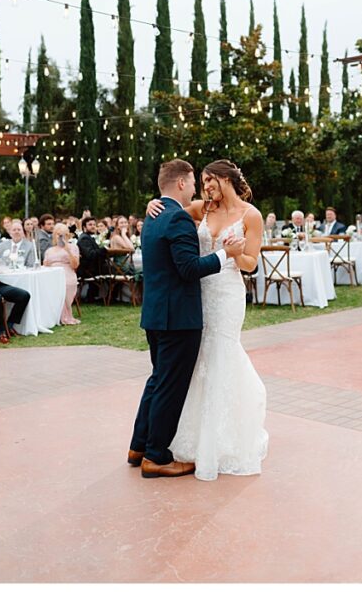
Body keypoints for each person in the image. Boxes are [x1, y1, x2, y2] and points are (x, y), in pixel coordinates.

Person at [144, 158, 269, 481]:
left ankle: (222, 440)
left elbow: (251, 264)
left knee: (221, 357)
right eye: (202, 182)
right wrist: (152, 203)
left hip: (227, 293)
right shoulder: (203, 209)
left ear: (226, 179)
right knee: (195, 362)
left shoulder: (250, 215)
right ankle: (189, 437)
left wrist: (235, 253)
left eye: (211, 180)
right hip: (197, 294)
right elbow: (170, 216)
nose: (206, 188)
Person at [43, 222, 81, 325]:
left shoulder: (73, 247)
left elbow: (75, 265)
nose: (60, 237)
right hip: (51, 274)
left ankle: (63, 315)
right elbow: (44, 266)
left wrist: (67, 250)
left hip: (67, 273)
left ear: (68, 236)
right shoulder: (49, 250)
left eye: (63, 235)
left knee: (64, 284)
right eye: (58, 234)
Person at [76, 216, 108, 302]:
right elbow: (90, 255)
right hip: (88, 269)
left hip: (94, 267)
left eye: (94, 224)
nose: (93, 226)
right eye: (90, 224)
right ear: (84, 227)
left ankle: (97, 296)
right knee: (114, 270)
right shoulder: (84, 238)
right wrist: (104, 249)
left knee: (112, 268)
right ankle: (110, 297)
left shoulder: (91, 237)